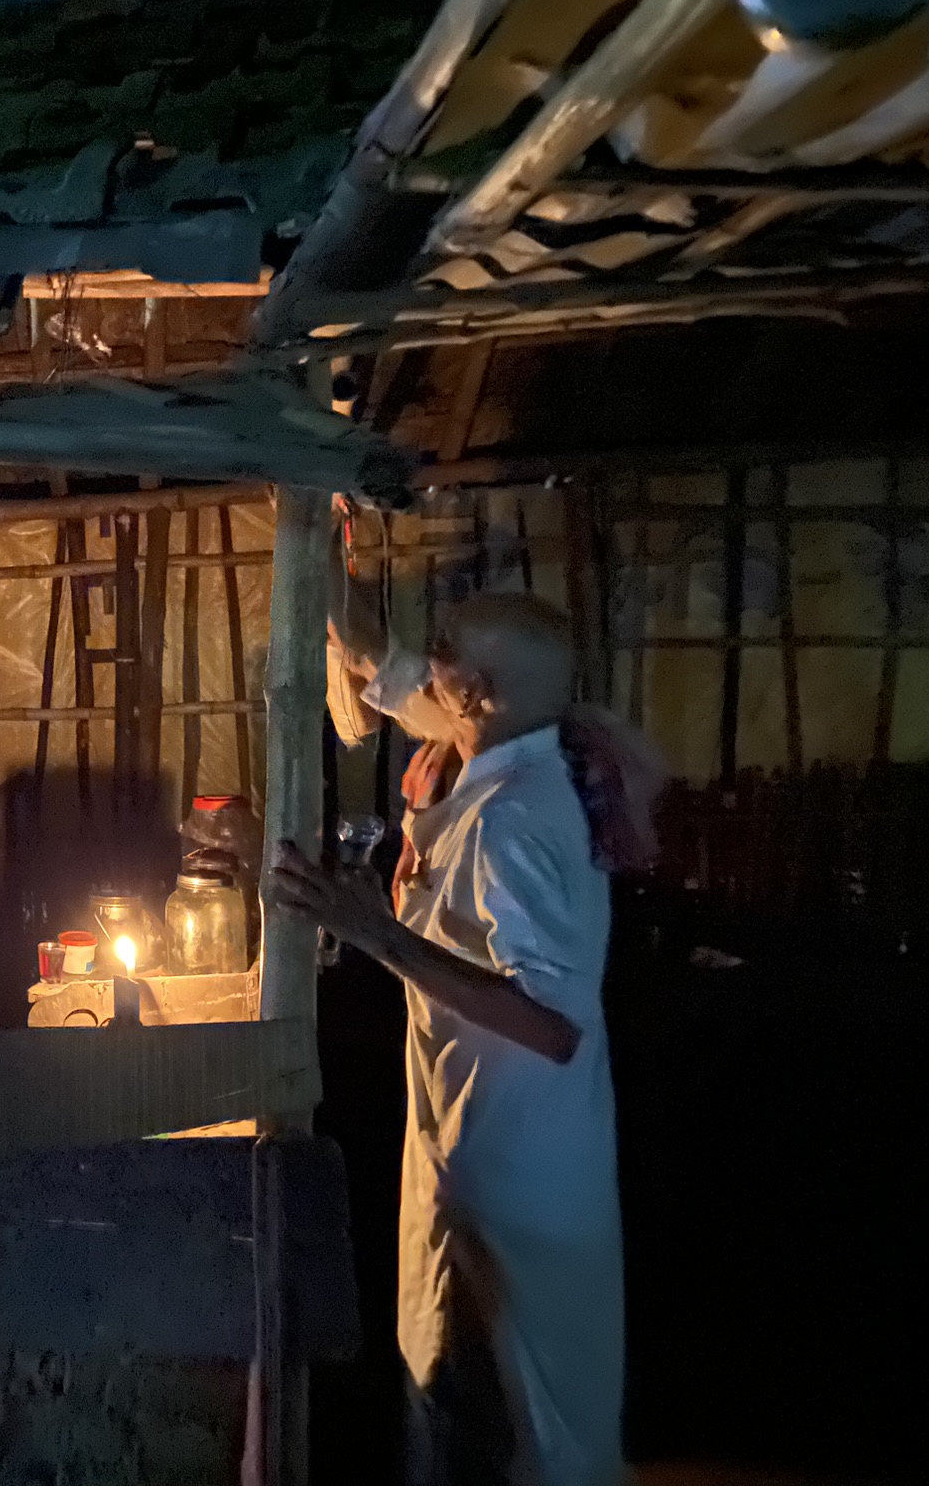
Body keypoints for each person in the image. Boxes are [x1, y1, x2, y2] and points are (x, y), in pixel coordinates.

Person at [273, 591, 661, 1486]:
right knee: (461, 1393)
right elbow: (419, 696)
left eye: (442, 649)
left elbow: (550, 1024)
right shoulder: (499, 757)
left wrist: (380, 936)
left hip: (519, 1163)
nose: (428, 658)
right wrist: (373, 653)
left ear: (479, 691)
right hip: (474, 1133)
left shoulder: (515, 820)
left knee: (508, 1420)